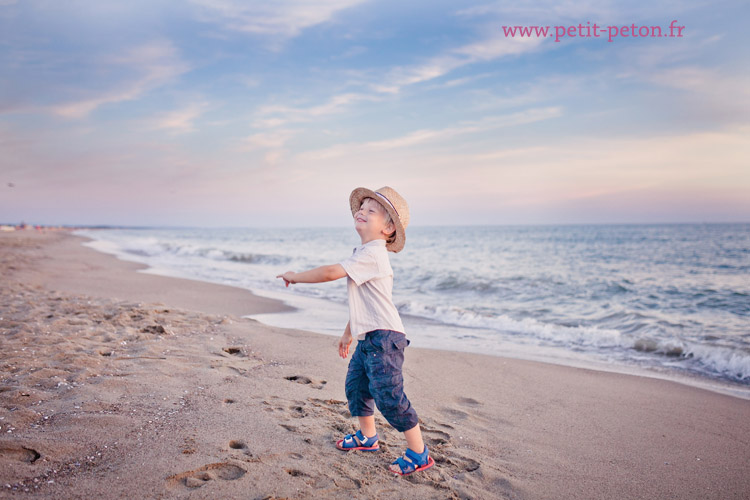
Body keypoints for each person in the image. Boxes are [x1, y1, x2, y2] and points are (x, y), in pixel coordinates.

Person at [276, 186, 434, 476]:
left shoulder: (373, 254)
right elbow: (364, 303)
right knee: (357, 387)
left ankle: (419, 452)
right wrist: (349, 333)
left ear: (388, 228)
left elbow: (328, 273)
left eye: (371, 210)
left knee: (389, 396)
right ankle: (367, 437)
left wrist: (295, 277)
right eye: (361, 208)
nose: (362, 212)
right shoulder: (362, 252)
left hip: (385, 339)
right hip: (368, 336)